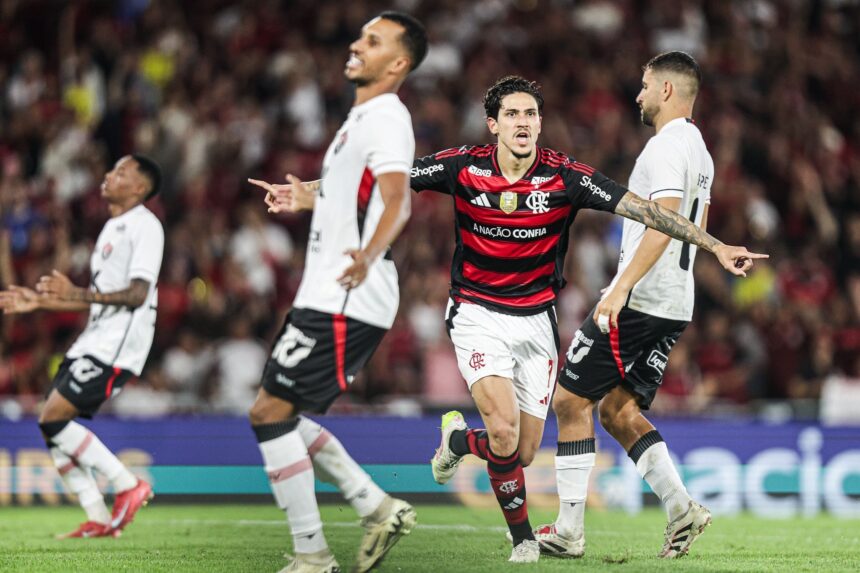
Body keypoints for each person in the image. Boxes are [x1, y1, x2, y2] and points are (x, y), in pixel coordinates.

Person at [255, 74, 765, 565]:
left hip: (536, 322)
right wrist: (307, 193)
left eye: (531, 114)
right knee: (502, 433)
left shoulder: (566, 176)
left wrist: (715, 245)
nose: (523, 121)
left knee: (519, 452)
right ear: (493, 124)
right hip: (476, 313)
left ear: (540, 123)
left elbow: (649, 213)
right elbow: (382, 181)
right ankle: (523, 542)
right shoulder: (462, 166)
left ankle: (459, 441)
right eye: (512, 114)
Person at [246, 11, 426, 573]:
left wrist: (368, 255)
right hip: (325, 290)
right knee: (278, 410)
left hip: (348, 292)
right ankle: (375, 507)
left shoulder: (387, 116)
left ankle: (313, 555)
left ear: (397, 63)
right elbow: (355, 192)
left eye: (373, 41)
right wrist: (305, 197)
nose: (357, 45)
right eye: (361, 36)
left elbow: (398, 200)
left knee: (270, 411)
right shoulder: (360, 119)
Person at [536, 51, 720, 560]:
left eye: (644, 85)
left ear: (666, 90)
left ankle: (569, 531)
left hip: (642, 299)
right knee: (617, 410)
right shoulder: (700, 150)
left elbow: (664, 222)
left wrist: (620, 288)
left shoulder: (665, 146)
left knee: (569, 401)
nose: (638, 95)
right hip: (675, 302)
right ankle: (681, 509)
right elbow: (690, 224)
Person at [0, 154, 164, 538]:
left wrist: (74, 292)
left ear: (140, 187)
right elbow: (97, 299)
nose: (109, 175)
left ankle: (127, 484)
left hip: (118, 344)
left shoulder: (145, 226)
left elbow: (137, 294)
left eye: (120, 172)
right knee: (50, 425)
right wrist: (40, 302)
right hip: (95, 337)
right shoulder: (110, 229)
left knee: (53, 417)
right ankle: (98, 516)